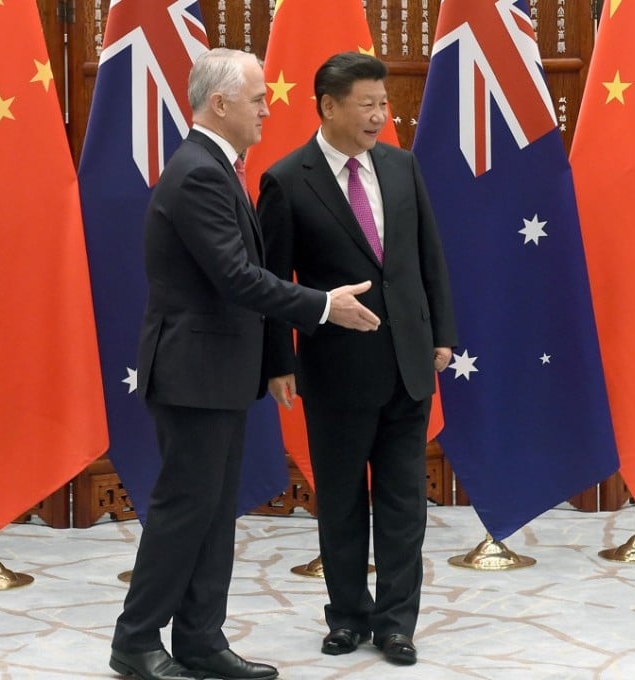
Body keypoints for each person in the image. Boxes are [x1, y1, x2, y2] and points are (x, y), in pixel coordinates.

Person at [109, 48, 381, 680]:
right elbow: (236, 277)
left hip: (216, 374)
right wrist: (321, 306)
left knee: (210, 512)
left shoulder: (217, 166)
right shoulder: (199, 172)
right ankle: (136, 640)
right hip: (192, 374)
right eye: (258, 98)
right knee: (185, 511)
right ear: (221, 103)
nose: (268, 107)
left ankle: (201, 639)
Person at [256, 52, 457, 667]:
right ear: (328, 106)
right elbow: (271, 282)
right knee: (341, 501)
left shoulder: (402, 167)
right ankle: (347, 616)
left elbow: (429, 258)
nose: (379, 115)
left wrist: (441, 333)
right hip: (336, 370)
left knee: (404, 503)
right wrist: (277, 362)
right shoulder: (287, 180)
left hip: (407, 364)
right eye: (367, 104)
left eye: (383, 103)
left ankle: (397, 623)